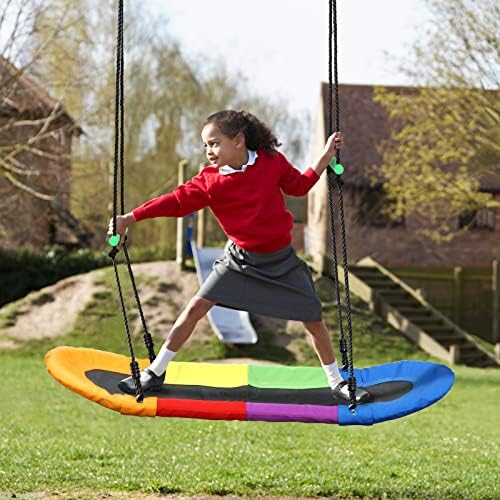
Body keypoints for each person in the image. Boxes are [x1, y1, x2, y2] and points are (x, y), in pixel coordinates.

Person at [109, 110, 370, 404]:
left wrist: (325, 155)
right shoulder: (209, 182)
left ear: (238, 140)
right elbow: (175, 202)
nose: (209, 151)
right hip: (240, 261)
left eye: (215, 143)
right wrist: (129, 218)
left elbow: (299, 186)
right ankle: (155, 372)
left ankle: (336, 382)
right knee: (196, 307)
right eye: (205, 145)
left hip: (282, 261)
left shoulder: (271, 161)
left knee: (313, 320)